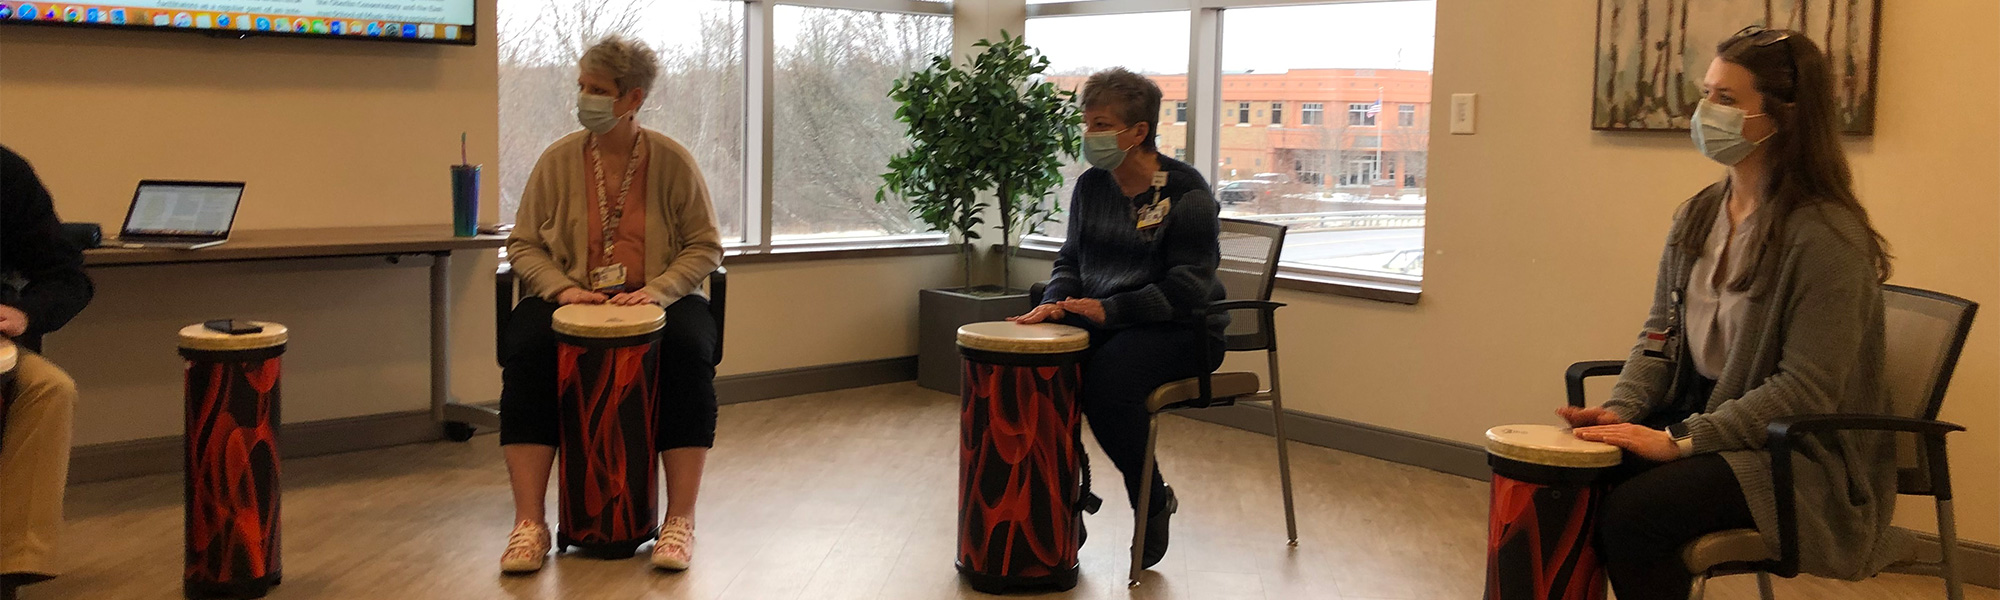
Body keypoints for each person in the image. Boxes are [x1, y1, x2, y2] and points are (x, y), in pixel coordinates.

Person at [1558, 27, 1904, 599]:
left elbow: (1806, 389)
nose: (1704, 112)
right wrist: (1622, 409)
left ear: (1785, 116)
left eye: (1726, 99)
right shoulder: (1699, 213)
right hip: (1711, 424)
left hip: (1796, 455)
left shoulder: (1826, 237)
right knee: (1574, 482)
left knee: (1636, 514)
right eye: (1705, 93)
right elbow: (1658, 337)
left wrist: (1681, 440)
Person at [497, 37, 723, 574]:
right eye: (582, 87)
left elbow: (706, 245)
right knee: (526, 349)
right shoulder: (557, 161)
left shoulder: (672, 161)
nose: (584, 98)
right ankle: (530, 523)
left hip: (658, 300)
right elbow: (523, 244)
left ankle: (680, 520)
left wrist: (662, 289)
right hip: (568, 298)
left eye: (597, 90)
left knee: (690, 352)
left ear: (632, 99)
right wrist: (559, 288)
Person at [1010, 67, 1226, 569]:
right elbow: (1071, 262)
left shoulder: (1186, 193)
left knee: (1106, 386)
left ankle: (1150, 500)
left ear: (1138, 132)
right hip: (1109, 319)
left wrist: (1111, 309)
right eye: (1087, 124)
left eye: (1102, 125)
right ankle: (1064, 498)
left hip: (1181, 329)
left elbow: (1189, 288)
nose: (1090, 136)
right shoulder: (1092, 187)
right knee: (1040, 371)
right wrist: (1058, 302)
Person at [0, 145, 92, 600]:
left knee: (50, 388)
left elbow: (66, 275)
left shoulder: (6, 173)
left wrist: (24, 314)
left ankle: (13, 564)